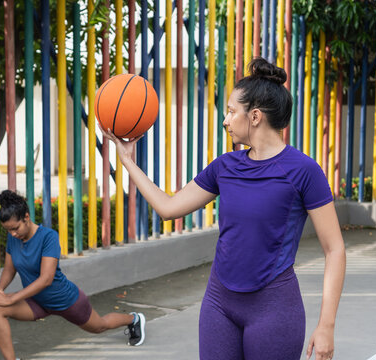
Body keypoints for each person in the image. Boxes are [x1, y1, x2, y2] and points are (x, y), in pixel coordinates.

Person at [102, 57, 346, 360]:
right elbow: (168, 208)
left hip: (274, 308)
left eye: (232, 111)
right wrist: (127, 161)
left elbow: (334, 249)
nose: (226, 119)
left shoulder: (303, 171)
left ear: (255, 116)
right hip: (219, 304)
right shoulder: (225, 167)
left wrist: (327, 325)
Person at [0, 190, 146, 360]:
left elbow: (46, 279)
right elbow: (9, 269)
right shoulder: (14, 238)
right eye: (8, 231)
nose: (13, 234)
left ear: (26, 217)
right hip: (36, 301)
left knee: (99, 326)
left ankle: (134, 319)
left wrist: (11, 298)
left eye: (15, 228)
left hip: (64, 299)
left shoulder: (48, 237)